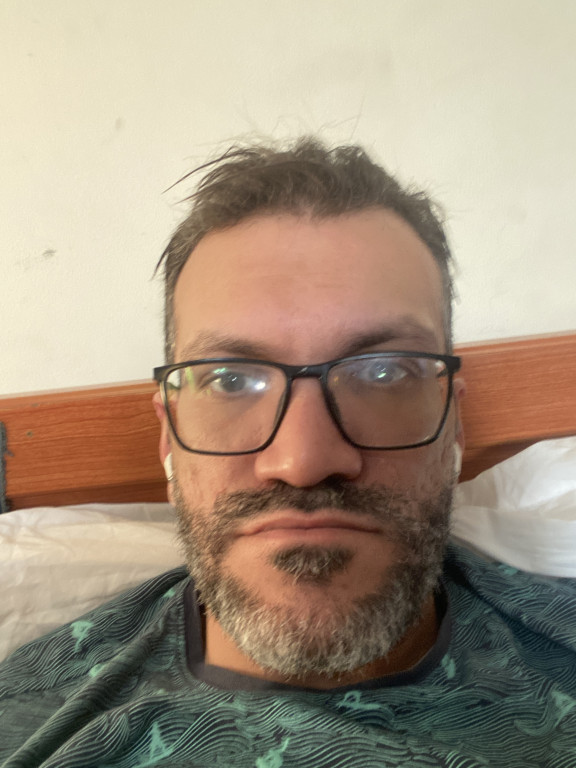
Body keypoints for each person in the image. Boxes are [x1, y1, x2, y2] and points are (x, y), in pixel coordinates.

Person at [0, 138, 574, 767]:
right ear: (168, 436)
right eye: (229, 380)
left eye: (383, 373)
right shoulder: (28, 724)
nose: (303, 462)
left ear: (453, 426)